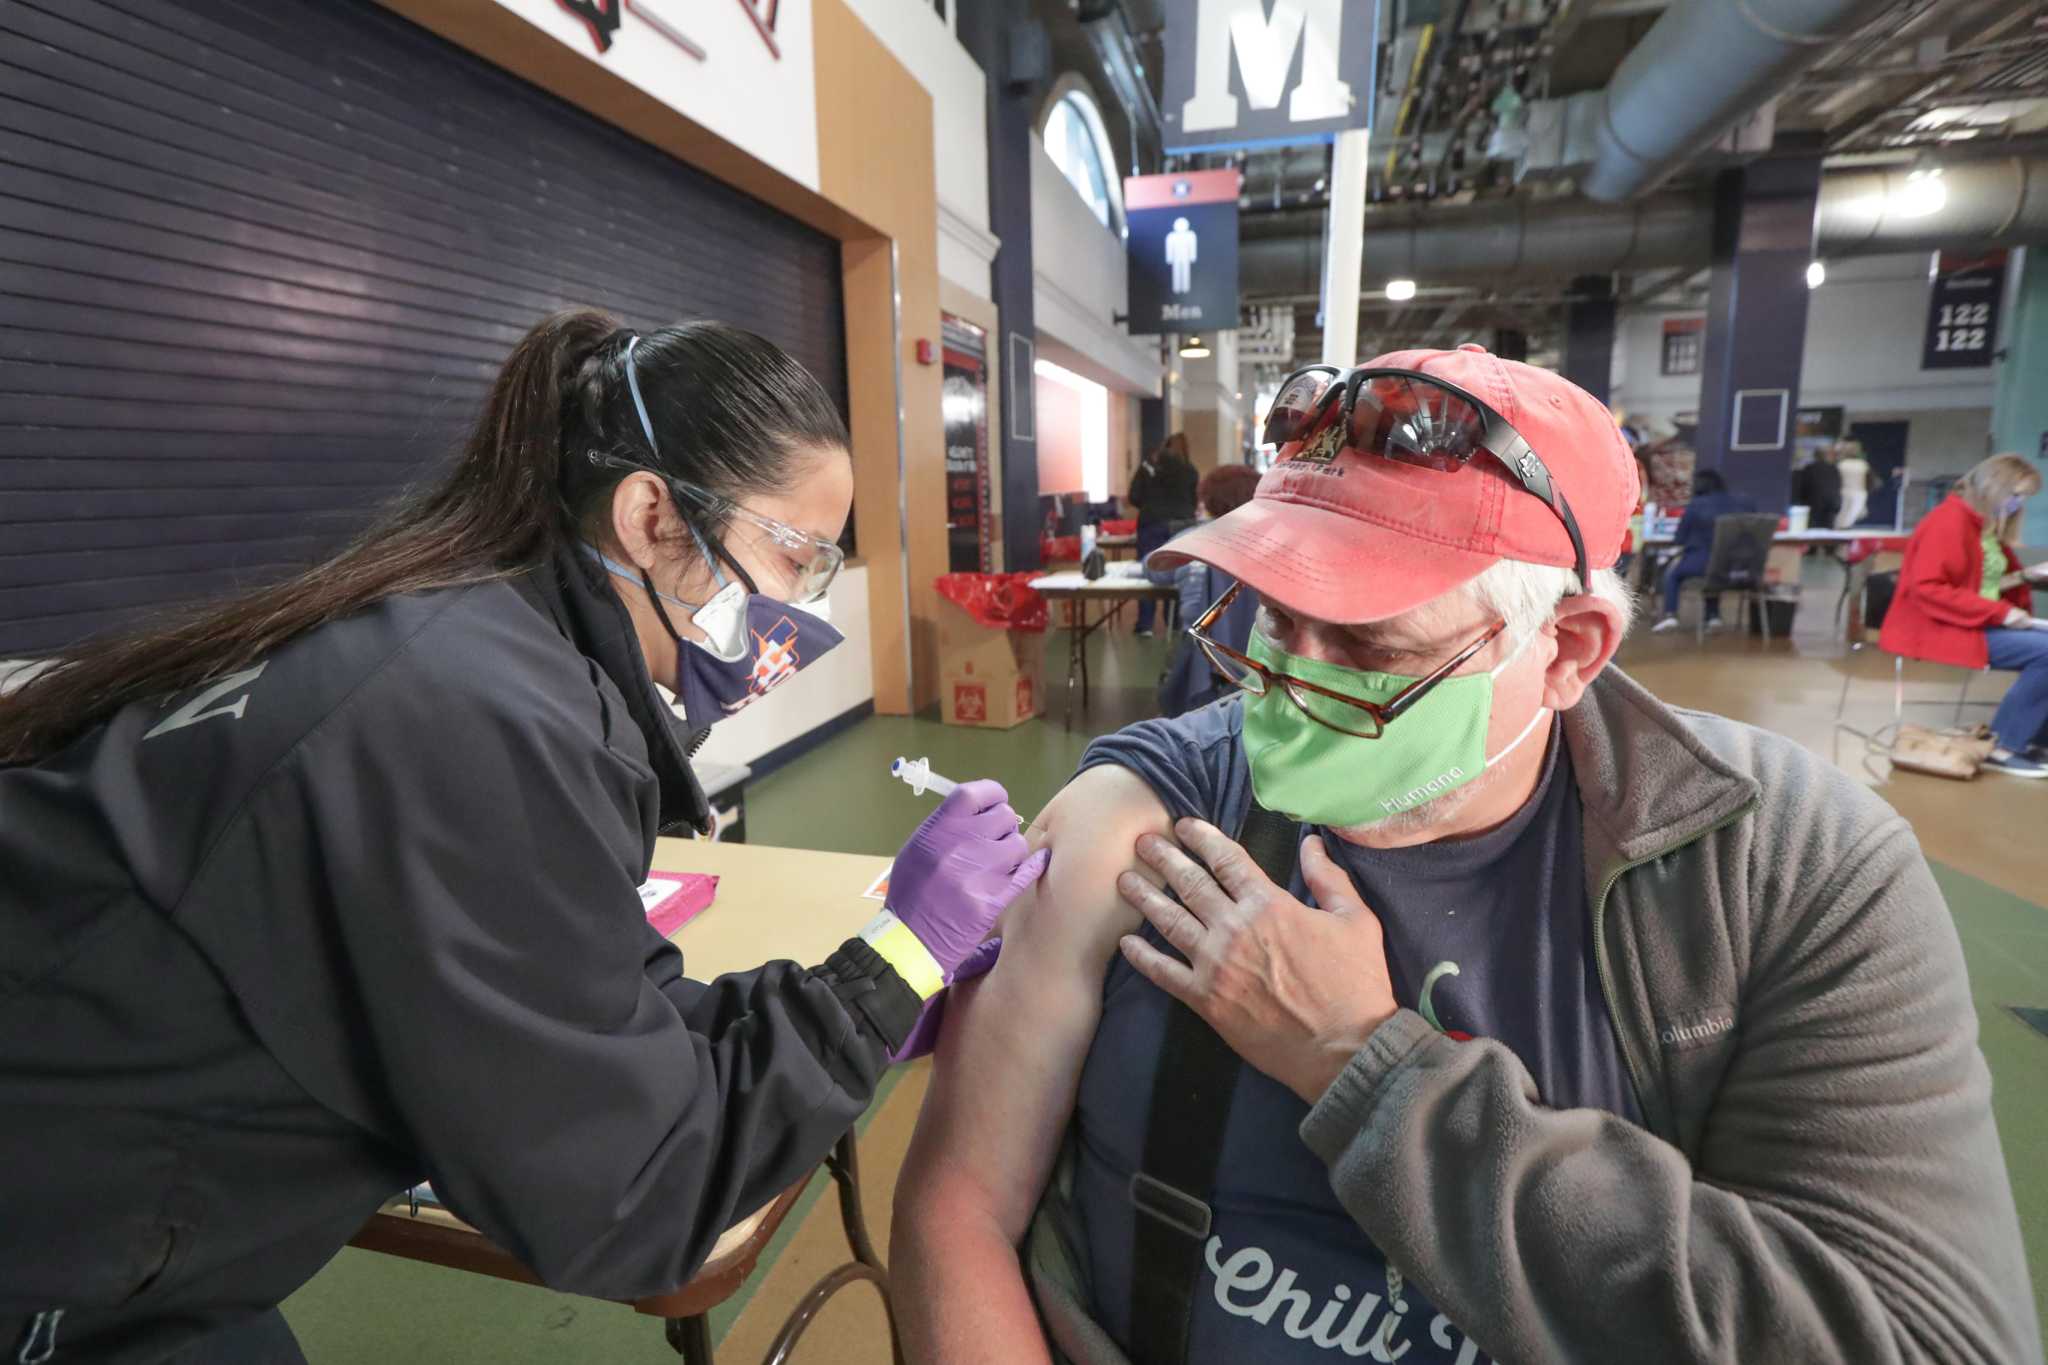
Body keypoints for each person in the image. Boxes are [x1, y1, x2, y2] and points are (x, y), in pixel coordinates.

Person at [893, 346, 2039, 1365]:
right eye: (1270, 611)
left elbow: (1917, 1335)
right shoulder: (1143, 810)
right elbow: (956, 1211)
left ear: (1564, 653)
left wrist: (1366, 1067)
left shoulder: (1783, 869)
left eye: (1362, 642)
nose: (1281, 679)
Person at [0, 310, 1046, 1365]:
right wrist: (891, 967)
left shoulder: (476, 642)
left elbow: (597, 1013)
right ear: (649, 515)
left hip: (130, 1208)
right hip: (61, 1242)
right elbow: (631, 1197)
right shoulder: (476, 720)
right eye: (794, 554)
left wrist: (864, 992)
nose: (801, 606)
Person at [1881, 452, 2048, 777]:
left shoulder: (1983, 527)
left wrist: (2025, 577)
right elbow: (1928, 588)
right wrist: (2002, 613)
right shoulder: (1947, 522)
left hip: (1977, 620)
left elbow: (1983, 582)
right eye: (2015, 496)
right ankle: (2002, 746)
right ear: (1993, 488)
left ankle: (2033, 740)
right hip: (1942, 625)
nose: (2018, 504)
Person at [1154, 464, 1261, 717]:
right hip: (1259, 660)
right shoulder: (1271, 541)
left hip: (1207, 661)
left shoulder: (1198, 537)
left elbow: (1156, 570)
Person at [1649, 467, 1755, 633]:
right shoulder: (1744, 503)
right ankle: (1712, 617)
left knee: (1673, 575)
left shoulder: (1696, 505)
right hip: (1739, 566)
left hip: (1702, 564)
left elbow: (1679, 538)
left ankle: (1671, 615)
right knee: (1715, 568)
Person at [1128, 435, 1200, 637]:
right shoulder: (1190, 470)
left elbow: (1134, 496)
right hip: (1182, 525)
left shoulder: (1149, 468)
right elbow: (1195, 500)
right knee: (1177, 572)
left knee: (1149, 569)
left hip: (1152, 523)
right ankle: (1175, 622)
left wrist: (1152, 503)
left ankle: (1145, 625)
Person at [1792, 440, 1843, 535]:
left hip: (1815, 502)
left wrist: (1801, 501)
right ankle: (1829, 548)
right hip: (1832, 501)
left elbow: (1803, 486)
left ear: (1815, 456)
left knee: (1813, 527)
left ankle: (1813, 548)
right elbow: (1838, 485)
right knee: (1829, 526)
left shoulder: (1809, 468)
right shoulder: (1834, 468)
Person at [1835, 439, 1872, 528]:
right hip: (1854, 492)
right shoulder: (1862, 464)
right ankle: (1842, 529)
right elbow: (1869, 480)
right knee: (1848, 514)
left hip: (1848, 491)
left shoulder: (1842, 464)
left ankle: (1841, 528)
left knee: (1845, 514)